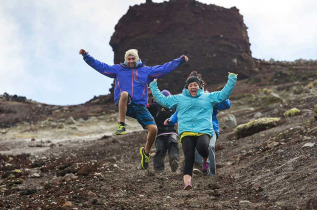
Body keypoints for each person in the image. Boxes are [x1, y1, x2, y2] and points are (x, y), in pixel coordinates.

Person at [79, 48, 188, 169]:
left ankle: (145, 153)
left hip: (140, 106)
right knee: (124, 94)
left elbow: (164, 68)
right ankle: (121, 124)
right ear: (125, 60)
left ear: (137, 59)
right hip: (125, 103)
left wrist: (180, 61)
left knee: (153, 130)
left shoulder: (146, 71)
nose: (131, 61)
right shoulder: (118, 69)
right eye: (128, 59)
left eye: (133, 58)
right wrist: (86, 56)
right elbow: (101, 66)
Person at [149, 71, 237, 190]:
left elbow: (223, 95)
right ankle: (187, 183)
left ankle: (205, 163)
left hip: (204, 130)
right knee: (188, 156)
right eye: (190, 85)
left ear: (200, 86)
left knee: (203, 147)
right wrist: (153, 85)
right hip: (186, 132)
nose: (193, 87)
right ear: (187, 87)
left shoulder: (208, 97)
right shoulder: (180, 98)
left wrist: (231, 78)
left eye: (195, 85)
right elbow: (163, 101)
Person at [166, 99, 231, 176]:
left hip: (211, 128)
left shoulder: (209, 98)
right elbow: (180, 112)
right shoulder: (187, 100)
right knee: (195, 146)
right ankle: (199, 167)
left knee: (210, 146)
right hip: (194, 129)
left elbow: (226, 105)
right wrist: (171, 120)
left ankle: (211, 173)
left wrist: (224, 96)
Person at [147, 89, 179, 173]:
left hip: (171, 131)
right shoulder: (155, 106)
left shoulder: (173, 106)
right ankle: (158, 169)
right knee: (160, 149)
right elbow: (146, 106)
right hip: (159, 133)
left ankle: (174, 161)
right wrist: (145, 94)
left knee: (173, 144)